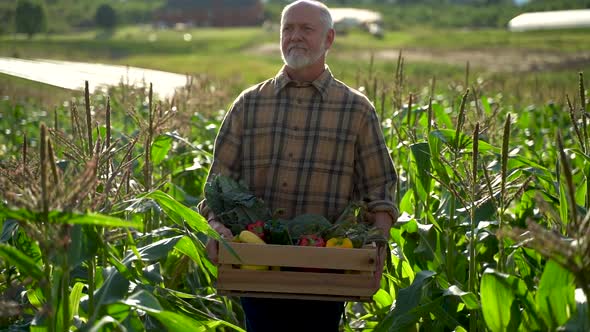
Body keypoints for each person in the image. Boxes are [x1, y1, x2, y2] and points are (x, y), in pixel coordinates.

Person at [198, 1, 398, 331]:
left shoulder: (356, 110)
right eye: (288, 28)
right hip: (256, 266)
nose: (295, 36)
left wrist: (377, 243)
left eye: (306, 29)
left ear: (329, 39)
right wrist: (216, 226)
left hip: (326, 272)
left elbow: (380, 189)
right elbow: (217, 185)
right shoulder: (249, 104)